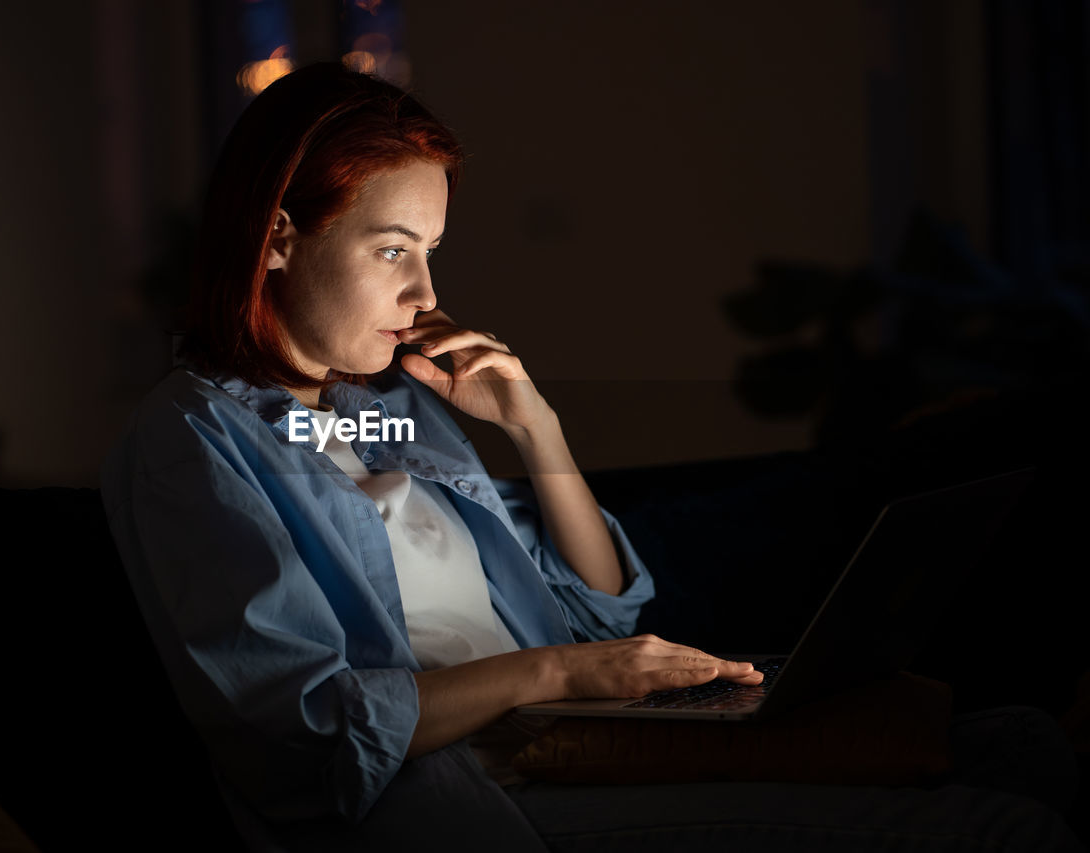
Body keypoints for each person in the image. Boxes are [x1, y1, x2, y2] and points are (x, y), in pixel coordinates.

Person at [101, 63, 1082, 852]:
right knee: (1002, 826)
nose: (423, 292)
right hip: (473, 803)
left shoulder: (388, 413)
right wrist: (561, 676)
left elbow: (598, 606)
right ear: (276, 239)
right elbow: (309, 730)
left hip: (576, 748)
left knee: (1020, 743)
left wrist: (535, 429)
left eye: (431, 252)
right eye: (393, 249)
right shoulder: (191, 442)